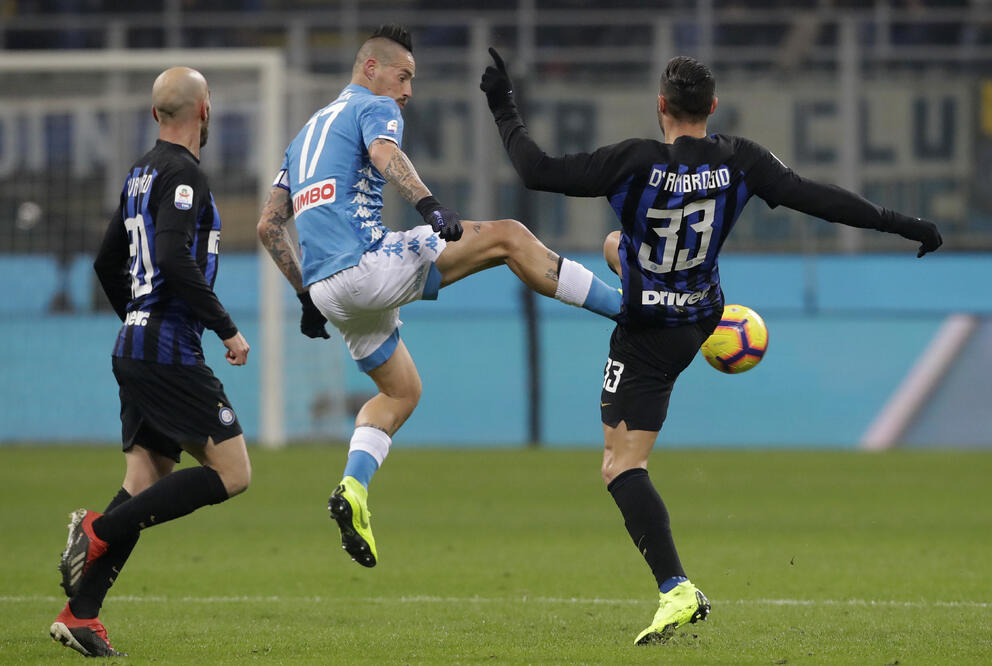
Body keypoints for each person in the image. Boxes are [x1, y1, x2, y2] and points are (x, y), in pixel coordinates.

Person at [480, 50, 942, 645]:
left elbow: (535, 169)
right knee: (617, 245)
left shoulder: (633, 162)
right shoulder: (740, 160)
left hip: (647, 330)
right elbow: (822, 198)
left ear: (661, 106)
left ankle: (676, 589)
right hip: (700, 318)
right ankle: (641, 280)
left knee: (621, 465)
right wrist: (905, 224)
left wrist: (503, 105)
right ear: (713, 107)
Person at [256, 24, 622, 569]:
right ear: (371, 69)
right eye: (403, 76)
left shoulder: (304, 135)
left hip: (329, 290)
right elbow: (384, 152)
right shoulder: (374, 106)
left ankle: (353, 488)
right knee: (508, 236)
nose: (407, 91)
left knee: (400, 392)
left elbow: (268, 225)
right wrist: (429, 205)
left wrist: (307, 298)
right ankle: (629, 310)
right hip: (366, 265)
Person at [51, 67, 253, 658]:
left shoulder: (139, 173)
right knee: (234, 473)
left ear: (155, 113)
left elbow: (105, 261)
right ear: (205, 111)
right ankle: (97, 529)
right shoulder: (183, 174)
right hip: (168, 349)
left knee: (145, 481)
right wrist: (225, 327)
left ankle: (80, 614)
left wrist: (137, 319)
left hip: (136, 345)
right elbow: (170, 255)